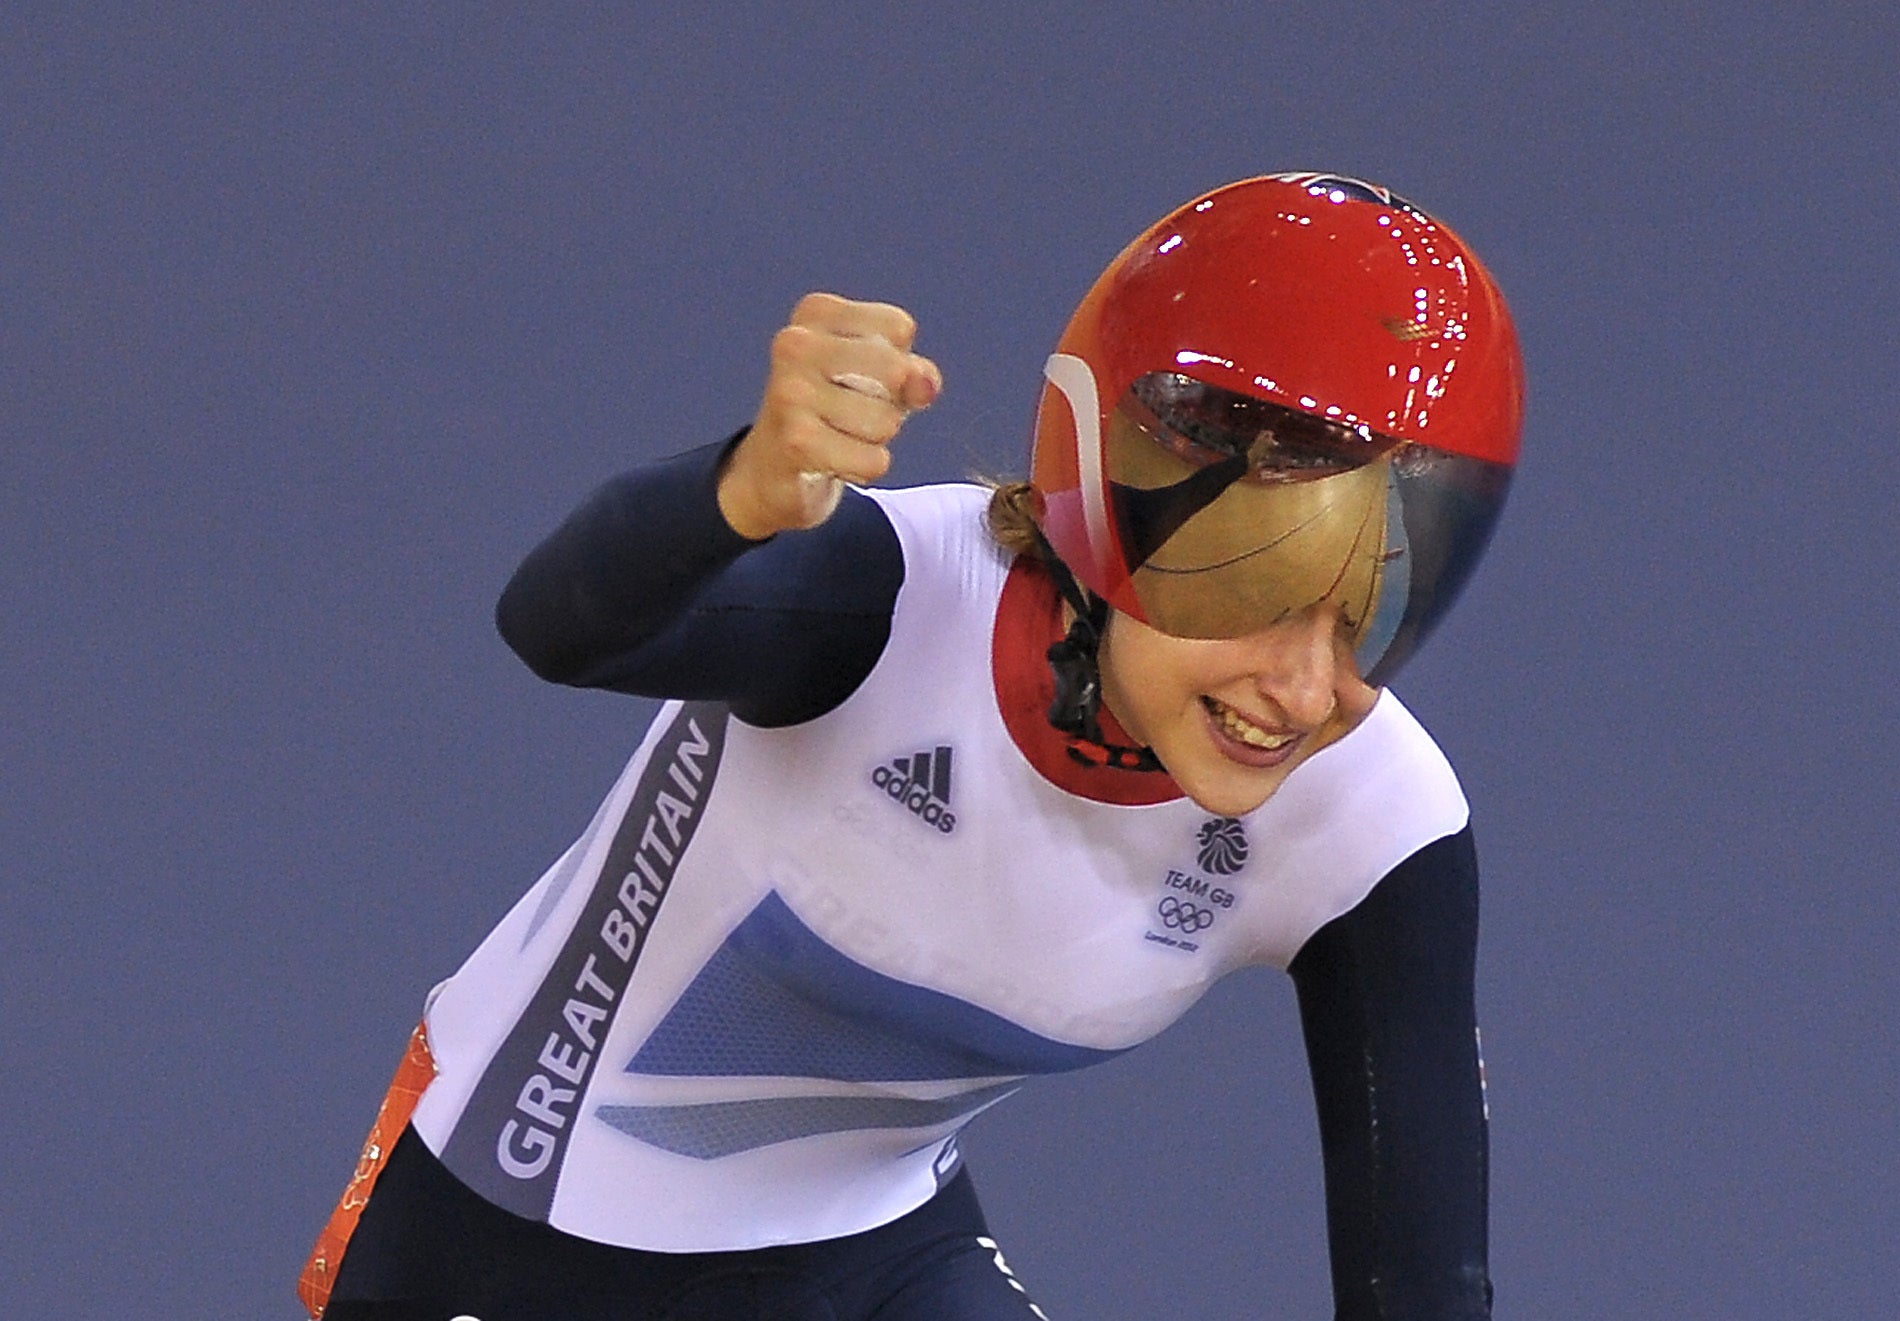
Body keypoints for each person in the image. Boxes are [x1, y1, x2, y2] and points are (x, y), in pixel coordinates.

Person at [301, 172, 1525, 1321]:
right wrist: (735, 494)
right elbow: (557, 626)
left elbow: (1421, 1274)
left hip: (873, 1255)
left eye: (1369, 613)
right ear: (1105, 505)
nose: (1307, 688)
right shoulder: (889, 605)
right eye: (1255, 592)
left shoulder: (1371, 816)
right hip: (511, 1230)